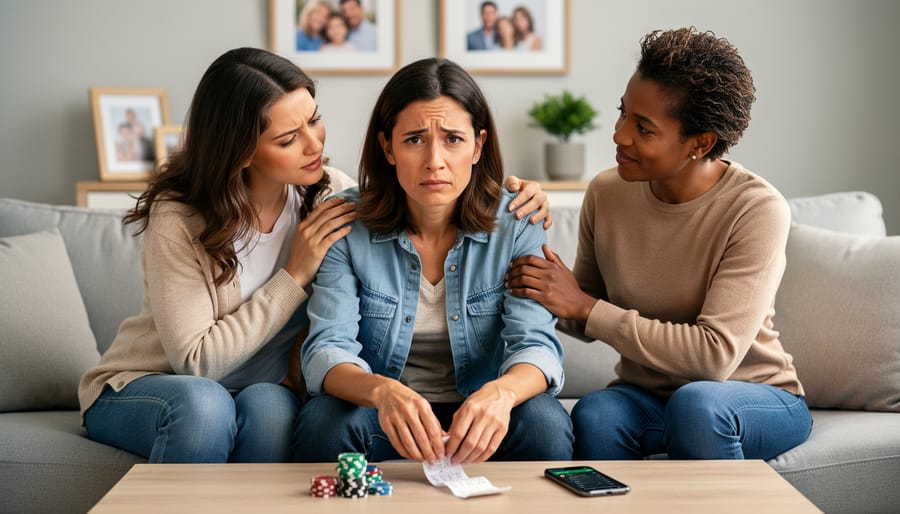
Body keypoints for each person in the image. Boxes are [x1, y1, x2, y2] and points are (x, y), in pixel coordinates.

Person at [78, 47, 552, 464]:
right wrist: (296, 272)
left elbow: (432, 186)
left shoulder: (328, 194)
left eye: (314, 120)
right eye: (288, 139)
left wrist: (519, 190)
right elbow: (198, 363)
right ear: (240, 151)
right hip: (162, 382)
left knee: (270, 411)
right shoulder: (179, 218)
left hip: (263, 386)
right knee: (206, 408)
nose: (315, 145)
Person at [506, 27, 813, 461]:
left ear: (700, 143)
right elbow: (582, 310)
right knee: (595, 414)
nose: (619, 135)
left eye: (644, 129)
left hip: (751, 396)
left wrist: (584, 307)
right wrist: (524, 271)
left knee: (698, 405)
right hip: (648, 398)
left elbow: (714, 358)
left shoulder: (756, 209)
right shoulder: (607, 192)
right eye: (622, 113)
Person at [294, 57, 573, 465]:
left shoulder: (518, 219)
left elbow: (536, 343)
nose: (435, 161)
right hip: (385, 413)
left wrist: (501, 393)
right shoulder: (347, 223)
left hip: (481, 413)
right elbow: (327, 348)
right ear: (387, 146)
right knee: (325, 422)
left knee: (544, 422)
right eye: (415, 140)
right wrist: (382, 392)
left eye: (453, 140)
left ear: (478, 146)